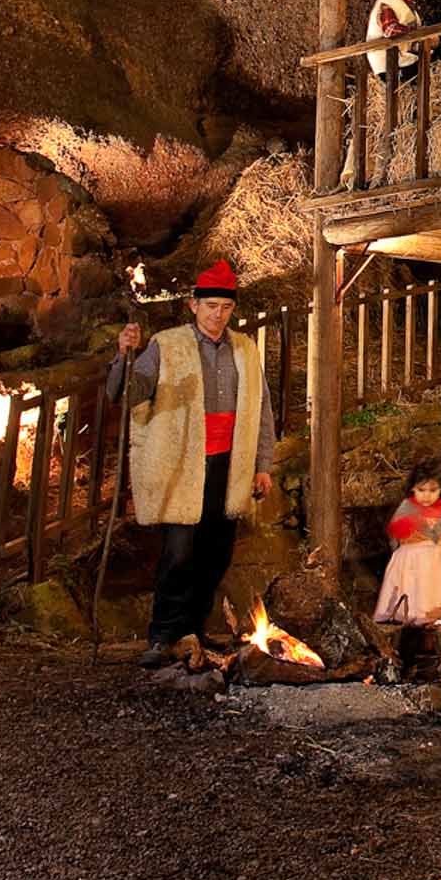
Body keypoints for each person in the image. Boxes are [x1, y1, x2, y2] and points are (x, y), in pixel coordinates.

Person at [107, 259, 276, 668]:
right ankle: (163, 634)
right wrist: (124, 357)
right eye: (211, 306)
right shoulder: (167, 345)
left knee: (216, 553)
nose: (218, 315)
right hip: (184, 464)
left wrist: (262, 463)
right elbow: (128, 396)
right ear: (193, 305)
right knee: (179, 553)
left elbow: (262, 409)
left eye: (225, 308)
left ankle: (194, 632)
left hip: (227, 465)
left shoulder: (245, 350)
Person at [375, 462, 441, 625]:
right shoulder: (408, 507)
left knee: (436, 595)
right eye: (421, 490)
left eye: (433, 491)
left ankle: (435, 626)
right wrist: (411, 526)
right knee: (415, 593)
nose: (427, 496)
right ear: (413, 489)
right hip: (412, 560)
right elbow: (396, 529)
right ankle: (413, 622)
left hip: (439, 562)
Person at [365, 0, 424, 86]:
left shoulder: (406, 5)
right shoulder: (387, 1)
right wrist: (422, 36)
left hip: (402, 60)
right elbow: (391, 30)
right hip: (389, 66)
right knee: (425, 70)